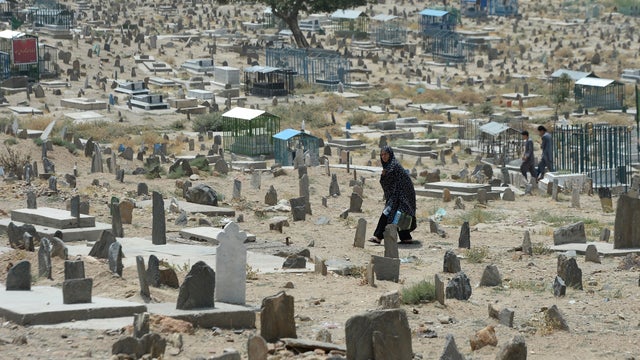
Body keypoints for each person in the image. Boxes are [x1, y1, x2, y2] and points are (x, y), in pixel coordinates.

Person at [368, 146, 417, 245]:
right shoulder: (389, 166)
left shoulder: (393, 166)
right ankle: (405, 238)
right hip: (397, 195)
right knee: (396, 215)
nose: (383, 157)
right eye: (382, 155)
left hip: (403, 195)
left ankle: (378, 236)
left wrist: (383, 176)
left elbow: (388, 180)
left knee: (392, 214)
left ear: (390, 154)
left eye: (385, 154)